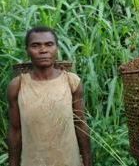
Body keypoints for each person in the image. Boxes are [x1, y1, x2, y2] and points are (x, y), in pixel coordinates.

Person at [7, 26, 92, 166]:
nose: (43, 50)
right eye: (35, 45)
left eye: (49, 44)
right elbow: (15, 130)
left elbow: (80, 123)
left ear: (57, 49)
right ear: (27, 51)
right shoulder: (17, 86)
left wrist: (88, 161)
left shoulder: (71, 82)